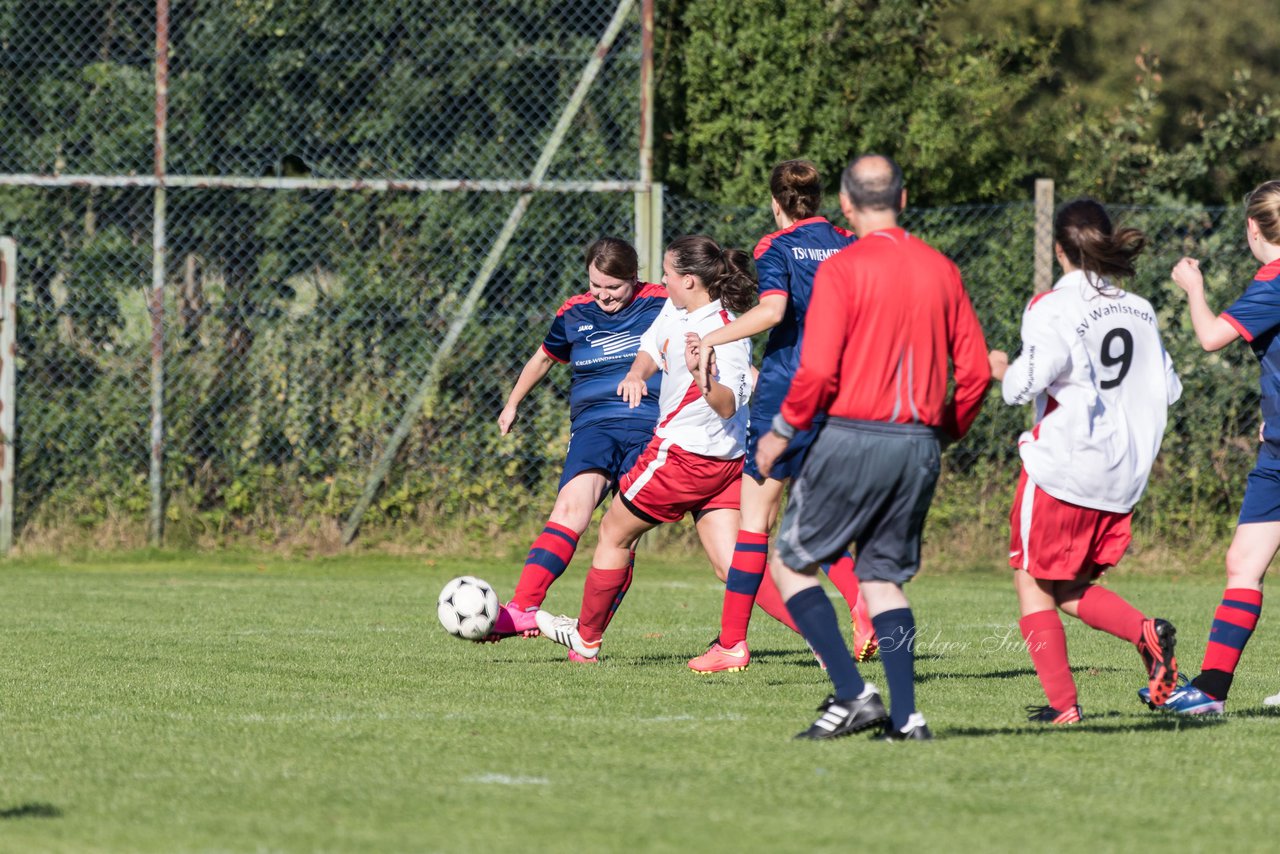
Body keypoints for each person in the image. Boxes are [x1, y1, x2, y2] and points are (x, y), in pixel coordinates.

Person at [756, 154, 990, 741]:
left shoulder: (844, 269)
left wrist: (782, 431)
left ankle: (855, 693)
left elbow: (816, 371)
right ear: (904, 200)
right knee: (882, 577)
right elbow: (978, 371)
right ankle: (908, 717)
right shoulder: (942, 269)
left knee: (788, 564)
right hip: (918, 444)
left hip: (853, 436)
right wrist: (945, 429)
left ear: (847, 205)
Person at [988, 199, 1182, 726]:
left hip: (1065, 464)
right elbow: (1169, 388)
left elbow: (1023, 386)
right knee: (1068, 586)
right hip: (1122, 475)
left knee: (1031, 579)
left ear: (1058, 248)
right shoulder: (1139, 307)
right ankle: (1146, 632)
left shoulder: (1051, 305)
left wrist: (1000, 369)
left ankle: (1063, 707)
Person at [686, 160, 875, 674]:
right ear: (818, 201)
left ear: (776, 203)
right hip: (839, 393)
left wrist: (710, 338)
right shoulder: (848, 241)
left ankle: (731, 644)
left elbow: (772, 311)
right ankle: (862, 602)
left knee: (755, 524)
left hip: (787, 394)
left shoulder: (776, 247)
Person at [535, 235, 756, 662]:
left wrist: (701, 375)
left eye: (668, 274)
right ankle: (805, 639)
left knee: (613, 533)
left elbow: (727, 405)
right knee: (732, 564)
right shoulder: (676, 310)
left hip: (685, 458)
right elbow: (650, 349)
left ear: (689, 280)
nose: (661, 281)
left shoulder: (722, 331)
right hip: (725, 462)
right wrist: (638, 373)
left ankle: (585, 641)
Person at [487, 238, 666, 642]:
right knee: (569, 509)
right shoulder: (575, 311)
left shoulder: (662, 302)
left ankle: (587, 638)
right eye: (595, 285)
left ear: (634, 278)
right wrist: (513, 403)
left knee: (621, 535)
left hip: (652, 430)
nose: (602, 296)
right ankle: (522, 608)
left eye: (613, 288)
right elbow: (544, 358)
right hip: (593, 429)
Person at [1150, 179, 1280, 714]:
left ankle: (1210, 689)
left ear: (1253, 227)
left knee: (1243, 563)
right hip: (1275, 450)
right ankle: (1210, 691)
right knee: (1242, 561)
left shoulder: (1274, 281)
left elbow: (1209, 337)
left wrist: (1193, 287)